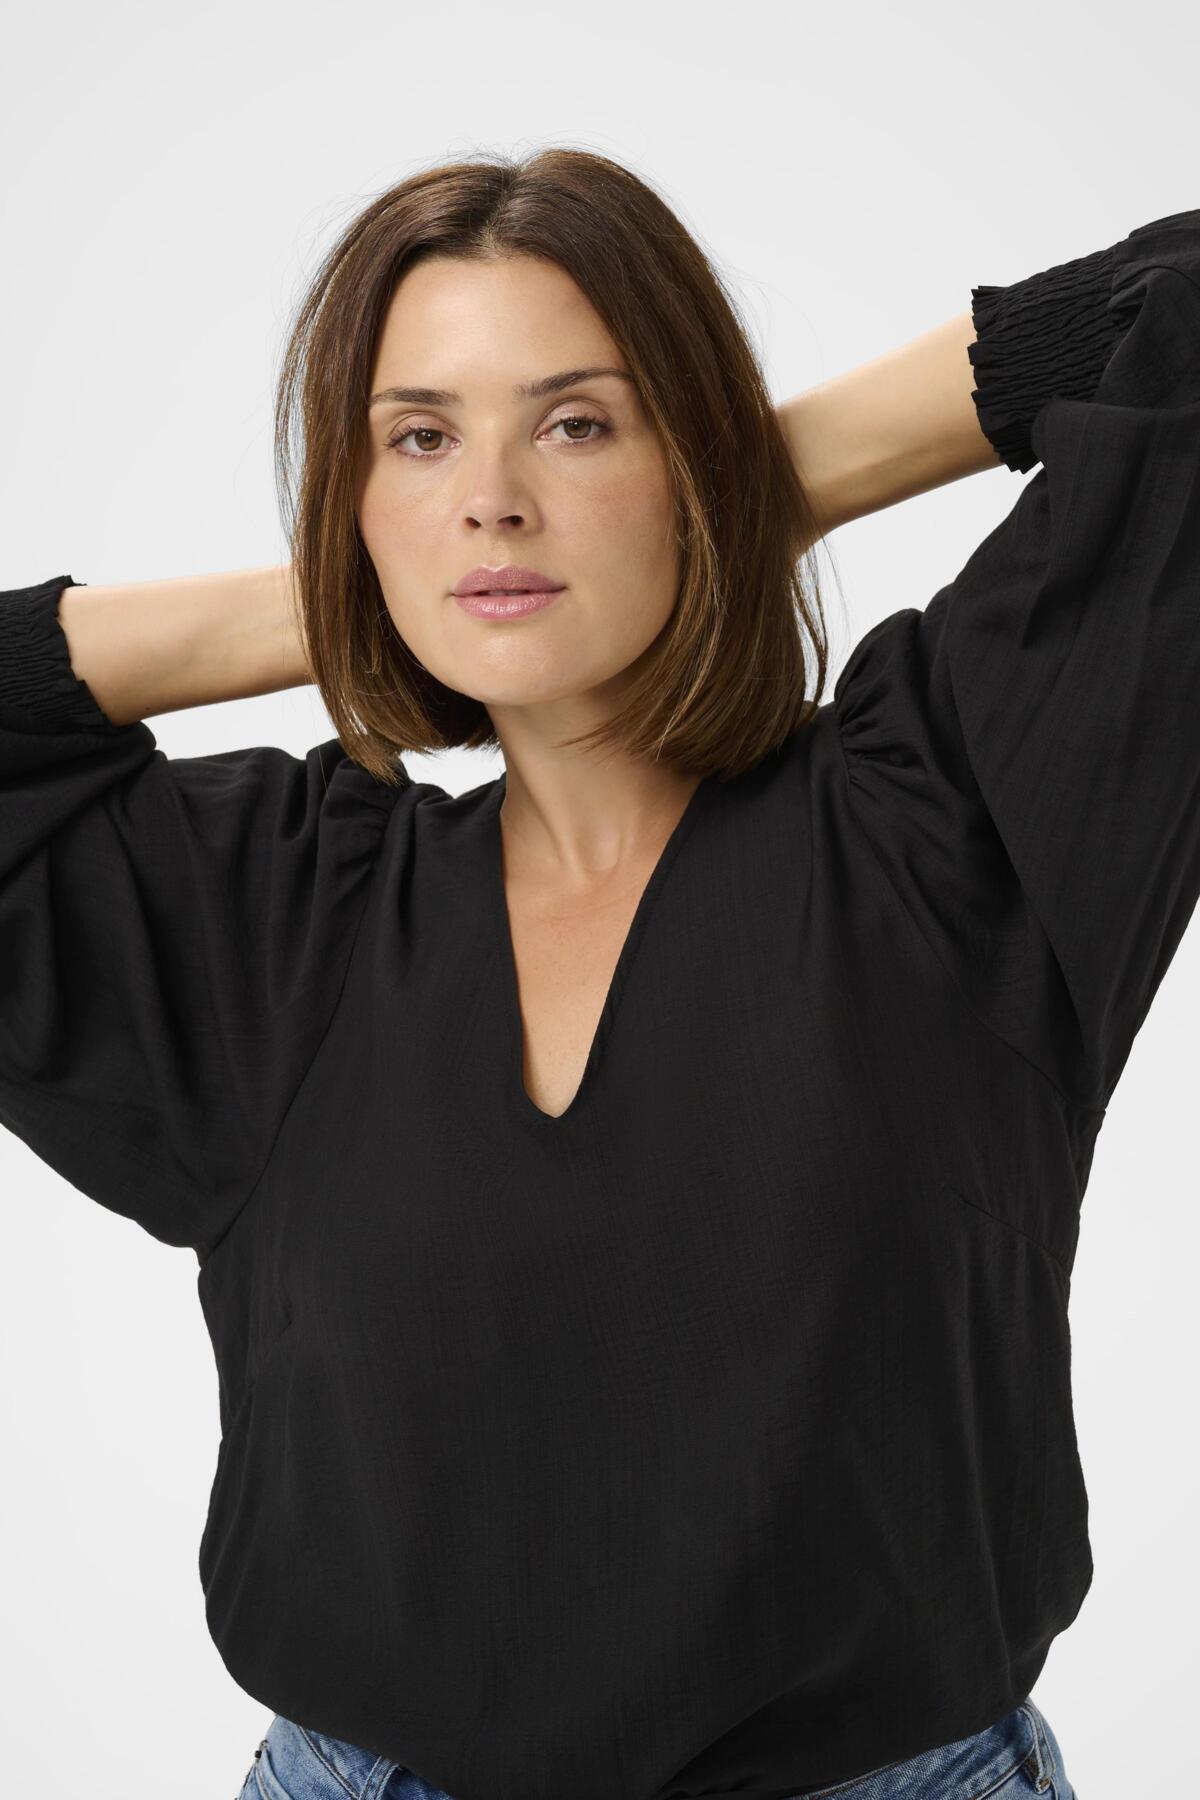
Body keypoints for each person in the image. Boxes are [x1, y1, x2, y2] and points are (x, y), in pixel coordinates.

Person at [4, 147, 1197, 1800]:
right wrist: (359, 604)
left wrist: (751, 487)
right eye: (419, 439)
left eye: (578, 424)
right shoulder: (277, 922)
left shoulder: (954, 825)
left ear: (693, 449)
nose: (492, 498)